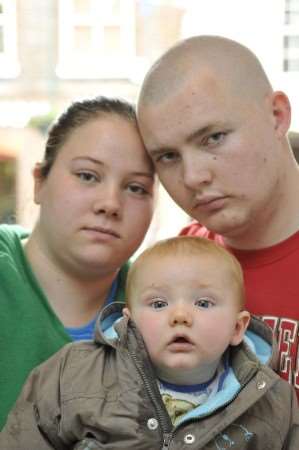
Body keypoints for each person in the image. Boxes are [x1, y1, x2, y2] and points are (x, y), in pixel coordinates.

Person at [1, 236, 298, 449]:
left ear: (237, 327)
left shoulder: (272, 402)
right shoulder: (73, 374)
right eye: (158, 304)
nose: (180, 316)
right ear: (129, 322)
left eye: (204, 303)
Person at [136, 35, 299, 396]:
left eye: (212, 138)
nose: (193, 177)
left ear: (277, 117)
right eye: (167, 156)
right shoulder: (168, 272)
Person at [0, 96, 156, 429]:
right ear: (40, 181)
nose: (110, 203)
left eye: (136, 187)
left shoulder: (165, 311)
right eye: (87, 176)